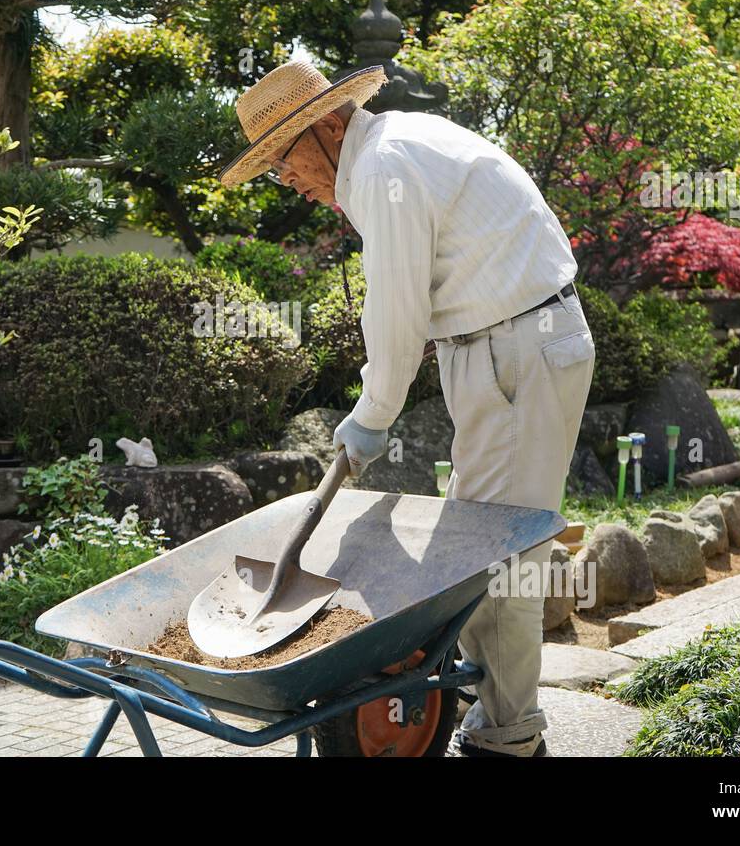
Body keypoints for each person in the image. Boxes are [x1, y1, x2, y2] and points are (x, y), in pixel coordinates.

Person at [219, 60, 595, 757]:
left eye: (285, 159)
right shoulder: (391, 150)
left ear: (327, 124)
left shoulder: (386, 167)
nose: (289, 181)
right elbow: (410, 308)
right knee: (483, 549)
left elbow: (396, 310)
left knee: (502, 555)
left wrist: (374, 412)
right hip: (503, 347)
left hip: (518, 349)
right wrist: (376, 407)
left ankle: (509, 742)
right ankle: (495, 721)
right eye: (271, 169)